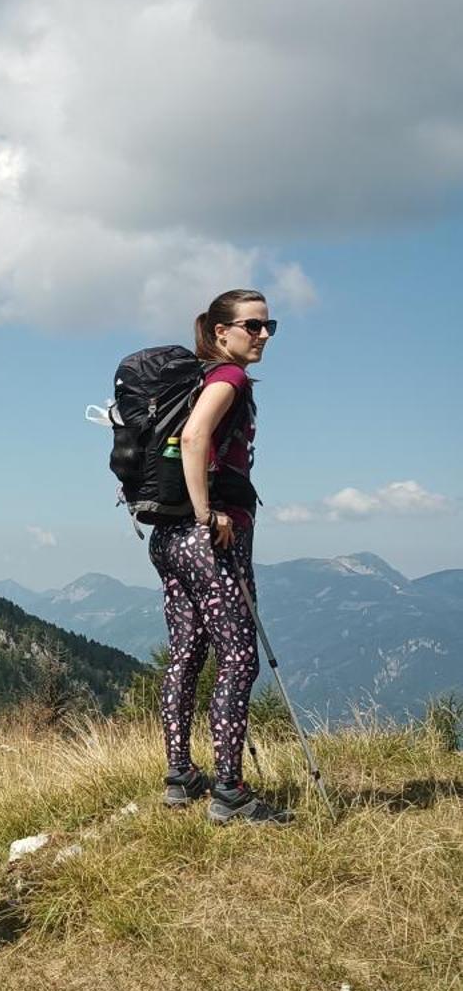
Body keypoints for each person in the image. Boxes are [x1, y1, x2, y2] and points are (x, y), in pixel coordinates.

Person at [149, 289, 291, 824]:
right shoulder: (226, 379)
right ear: (218, 331)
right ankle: (229, 791)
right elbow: (193, 439)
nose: (262, 335)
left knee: (187, 652)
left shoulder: (199, 381)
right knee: (239, 657)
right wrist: (208, 515)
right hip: (209, 539)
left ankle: (180, 775)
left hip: (168, 539)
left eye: (268, 325)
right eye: (251, 326)